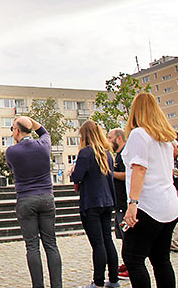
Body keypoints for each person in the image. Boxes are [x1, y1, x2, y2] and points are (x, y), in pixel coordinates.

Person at [121, 93, 178, 288]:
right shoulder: (165, 139)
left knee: (132, 257)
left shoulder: (140, 134)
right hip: (169, 204)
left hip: (148, 205)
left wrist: (133, 203)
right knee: (161, 259)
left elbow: (139, 169)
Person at [5, 116, 62, 288]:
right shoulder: (44, 145)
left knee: (32, 246)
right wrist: (29, 120)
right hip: (46, 198)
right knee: (51, 244)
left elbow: (10, 167)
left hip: (26, 199)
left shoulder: (12, 152)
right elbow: (43, 131)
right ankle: (57, 285)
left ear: (16, 131)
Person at [71, 121, 119, 288]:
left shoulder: (85, 153)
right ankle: (114, 279)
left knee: (97, 244)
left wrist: (73, 171)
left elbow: (77, 177)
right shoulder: (107, 153)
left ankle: (98, 281)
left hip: (91, 202)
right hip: (107, 201)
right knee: (108, 240)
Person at [107, 128, 129, 280]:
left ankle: (130, 264)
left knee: (127, 233)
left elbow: (128, 175)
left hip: (125, 203)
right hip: (118, 202)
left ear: (119, 139)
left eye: (110, 137)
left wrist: (110, 173)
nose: (108, 141)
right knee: (122, 234)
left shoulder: (126, 155)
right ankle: (127, 262)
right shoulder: (118, 155)